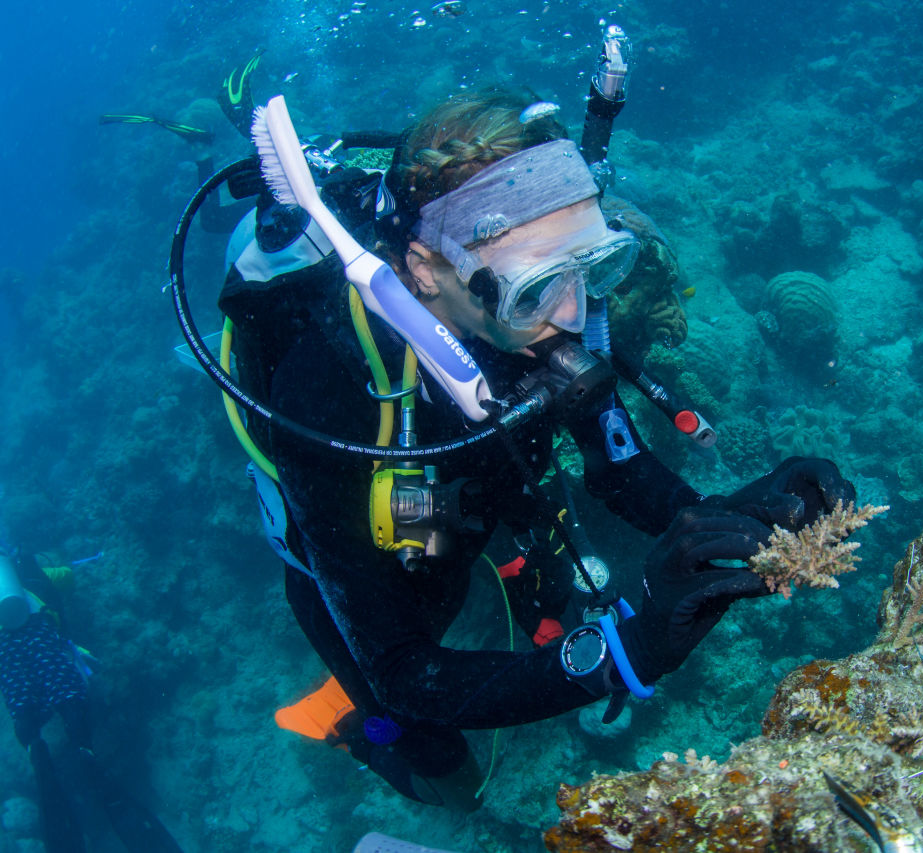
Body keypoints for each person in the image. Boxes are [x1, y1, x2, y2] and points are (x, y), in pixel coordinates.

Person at [211, 83, 854, 809]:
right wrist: (622, 655)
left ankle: (507, 562)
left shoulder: (553, 306)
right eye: (538, 289)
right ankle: (358, 734)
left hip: (480, 494)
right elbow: (403, 666)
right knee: (446, 774)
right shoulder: (327, 384)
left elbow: (622, 473)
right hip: (366, 555)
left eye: (592, 269)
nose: (575, 312)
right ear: (424, 271)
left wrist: (740, 513)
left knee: (523, 564)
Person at [0, 546, 183, 853]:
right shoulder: (25, 571)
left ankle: (35, 748)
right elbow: (67, 577)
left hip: (5, 646)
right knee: (68, 695)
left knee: (24, 707)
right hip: (40, 630)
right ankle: (84, 750)